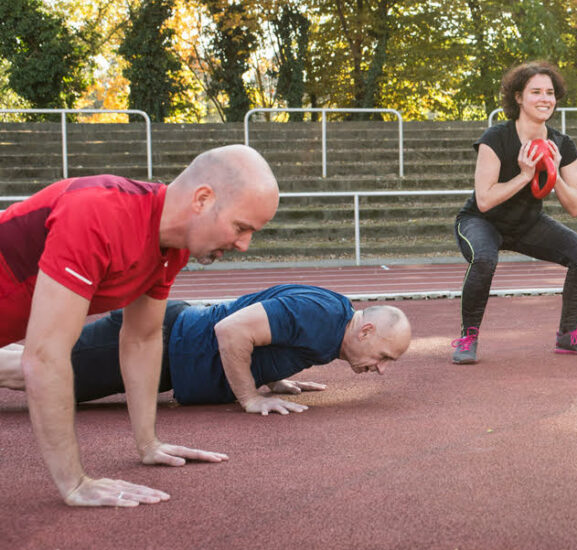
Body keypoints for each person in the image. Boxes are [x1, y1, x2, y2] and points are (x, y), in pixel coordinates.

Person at [0, 144, 279, 507]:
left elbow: (142, 338)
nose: (244, 244)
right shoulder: (97, 212)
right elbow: (45, 356)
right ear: (203, 199)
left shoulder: (171, 249)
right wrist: (74, 483)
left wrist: (149, 443)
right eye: (241, 227)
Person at [0, 284, 412, 413]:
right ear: (367, 330)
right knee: (36, 376)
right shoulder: (323, 317)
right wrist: (250, 397)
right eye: (384, 356)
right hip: (162, 341)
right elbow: (232, 330)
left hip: (171, 346)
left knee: (34, 362)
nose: (379, 368)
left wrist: (273, 375)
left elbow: (270, 325)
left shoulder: (333, 325)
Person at [452, 61, 577, 364]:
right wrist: (524, 174)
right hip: (481, 221)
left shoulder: (563, 144)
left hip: (527, 223)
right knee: (484, 258)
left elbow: (575, 207)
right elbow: (484, 200)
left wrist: (554, 171)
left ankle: (567, 335)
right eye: (535, 92)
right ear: (518, 97)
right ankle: (468, 338)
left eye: (550, 92)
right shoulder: (495, 138)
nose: (544, 98)